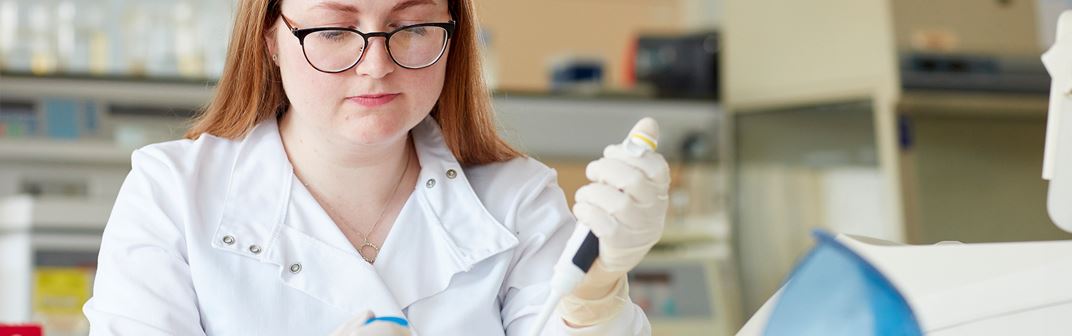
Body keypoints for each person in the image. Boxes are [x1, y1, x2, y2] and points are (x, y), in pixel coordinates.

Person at [82, 0, 670, 335]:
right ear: (270, 36)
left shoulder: (515, 199)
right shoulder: (174, 195)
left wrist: (595, 290)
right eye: (335, 31)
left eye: (411, 28)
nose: (375, 65)